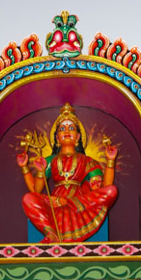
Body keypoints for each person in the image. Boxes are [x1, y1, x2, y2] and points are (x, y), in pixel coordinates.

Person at [18, 103, 118, 243]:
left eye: (71, 128)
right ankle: (52, 234)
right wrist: (25, 168)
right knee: (28, 199)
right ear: (57, 138)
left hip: (80, 203)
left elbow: (102, 188)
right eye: (62, 128)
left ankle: (69, 203)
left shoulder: (87, 161)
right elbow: (36, 189)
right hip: (55, 203)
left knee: (112, 191)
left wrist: (110, 161)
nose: (66, 131)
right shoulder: (50, 161)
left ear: (77, 137)